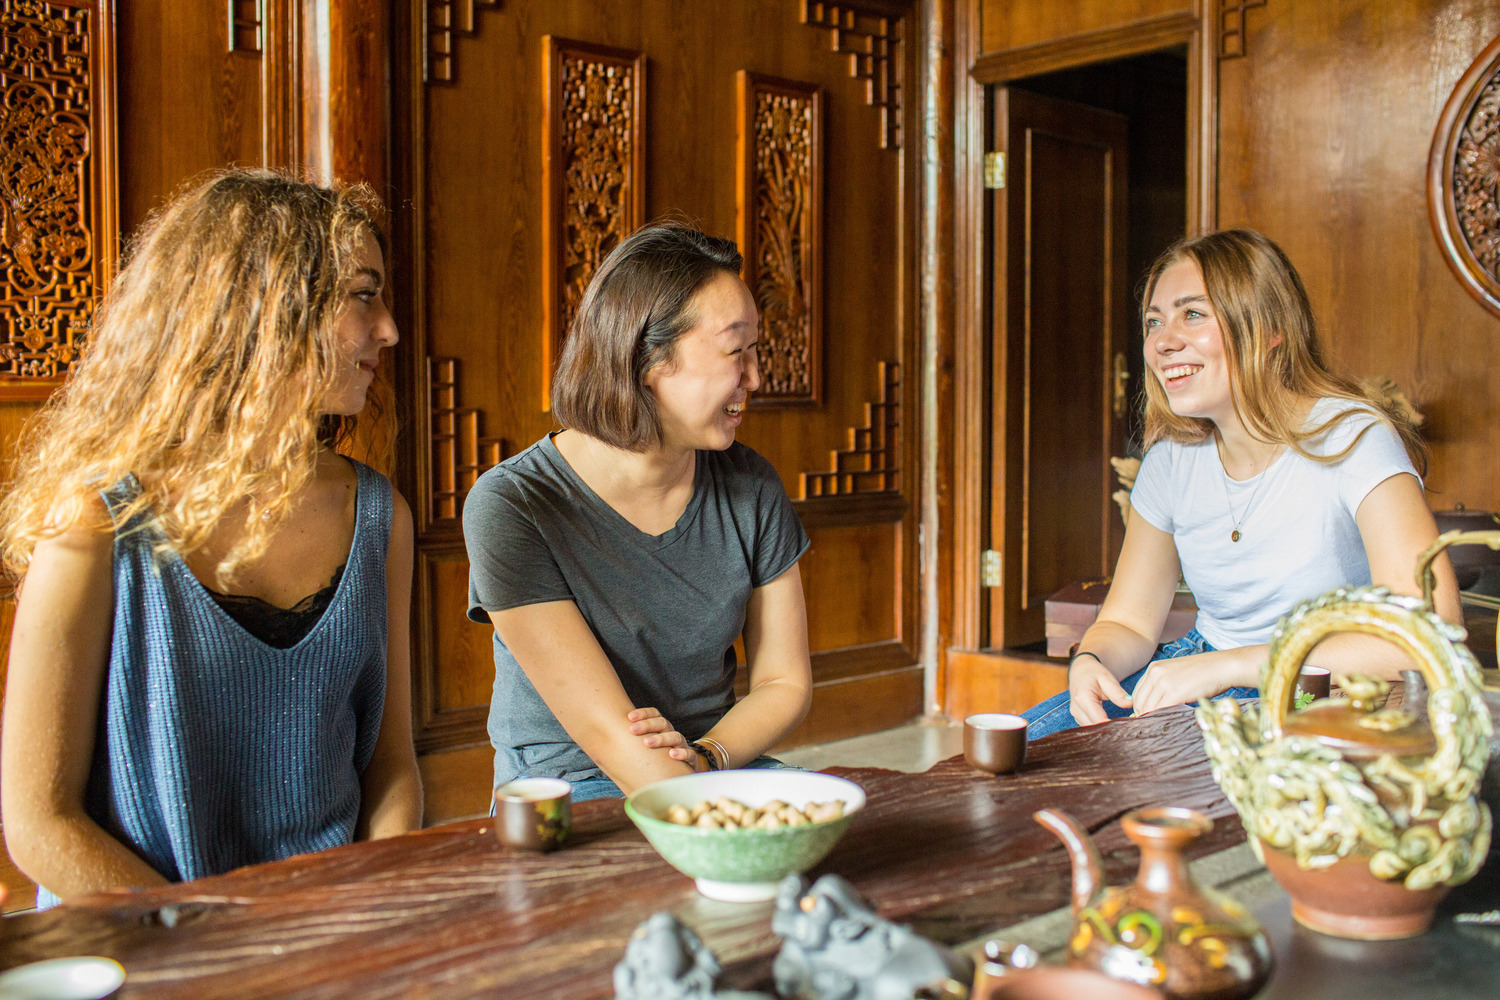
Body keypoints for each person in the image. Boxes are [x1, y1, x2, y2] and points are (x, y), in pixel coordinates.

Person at [0, 170, 422, 904]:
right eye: (363, 294)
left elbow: (390, 768)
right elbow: (42, 824)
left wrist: (362, 910)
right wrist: (224, 939)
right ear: (262, 308)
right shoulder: (96, 522)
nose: (387, 328)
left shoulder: (380, 515)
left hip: (325, 926)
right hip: (146, 940)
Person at [1022, 228, 1460, 739]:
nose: (1162, 342)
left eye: (1192, 313)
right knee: (1028, 755)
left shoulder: (1354, 438)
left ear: (1271, 328)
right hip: (1202, 670)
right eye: (1154, 321)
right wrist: (1090, 662)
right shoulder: (1169, 462)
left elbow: (1432, 632)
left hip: (1318, 688)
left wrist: (1229, 665)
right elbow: (1130, 623)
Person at [464, 221, 812, 801]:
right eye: (736, 352)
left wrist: (708, 756)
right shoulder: (513, 504)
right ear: (648, 359)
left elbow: (784, 681)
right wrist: (709, 805)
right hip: (572, 784)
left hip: (711, 763)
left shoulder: (750, 485)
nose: (754, 377)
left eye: (756, 351)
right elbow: (610, 736)